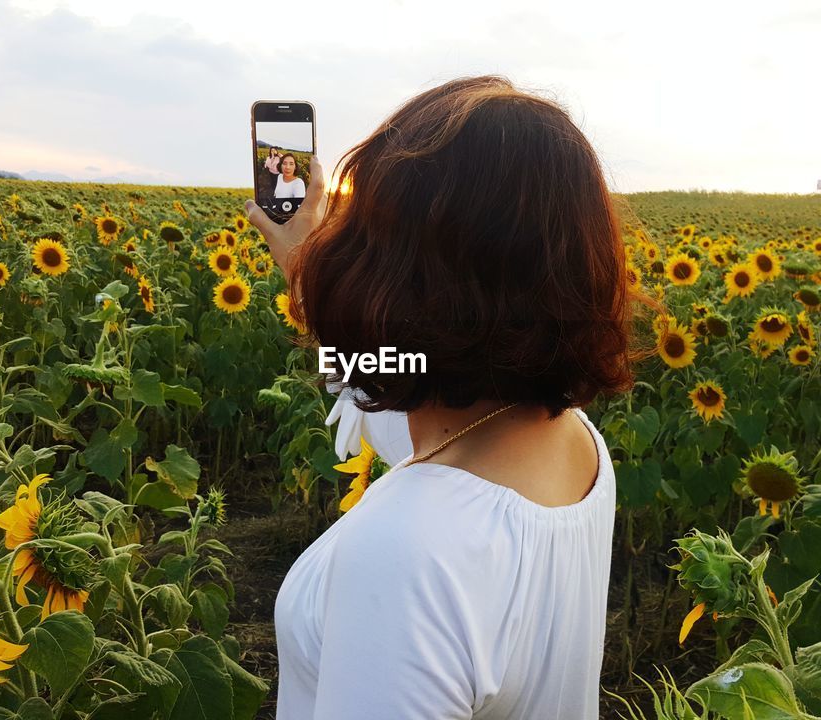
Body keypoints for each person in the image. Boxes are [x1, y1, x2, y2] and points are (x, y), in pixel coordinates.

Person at [245, 75, 649, 719]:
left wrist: (322, 281)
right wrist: (302, 270)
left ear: (397, 276)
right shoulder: (567, 441)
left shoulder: (407, 553)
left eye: (362, 231)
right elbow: (385, 384)